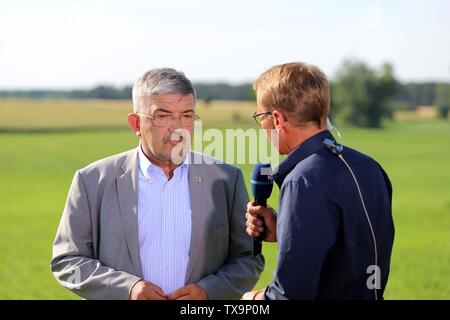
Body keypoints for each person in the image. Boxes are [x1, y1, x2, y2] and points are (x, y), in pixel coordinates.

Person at [51, 68, 264, 300]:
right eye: (163, 116)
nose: (178, 128)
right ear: (136, 124)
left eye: (187, 115)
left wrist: (209, 291)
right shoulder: (92, 180)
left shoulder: (226, 179)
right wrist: (128, 289)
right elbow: (67, 261)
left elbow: (248, 257)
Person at [243, 62, 395, 300]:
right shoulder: (370, 167)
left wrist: (251, 299)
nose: (262, 126)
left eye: (260, 117)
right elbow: (348, 254)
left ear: (277, 119)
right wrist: (285, 230)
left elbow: (290, 294)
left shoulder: (302, 181)